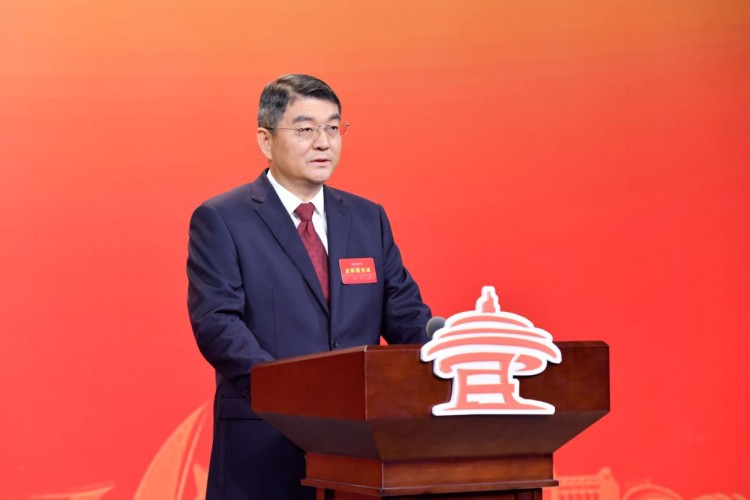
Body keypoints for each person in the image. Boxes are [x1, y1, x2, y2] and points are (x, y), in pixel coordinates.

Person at [186, 74, 431, 499]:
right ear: (265, 140)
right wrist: (292, 399)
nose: (323, 142)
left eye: (333, 128)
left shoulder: (367, 218)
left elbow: (406, 315)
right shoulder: (223, 219)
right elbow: (217, 324)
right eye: (305, 129)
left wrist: (449, 356)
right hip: (265, 442)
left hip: (358, 449)